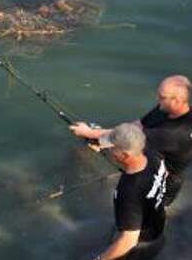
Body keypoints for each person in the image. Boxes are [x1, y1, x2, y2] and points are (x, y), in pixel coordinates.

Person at [82, 123, 167, 260]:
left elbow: (128, 240)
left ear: (125, 155)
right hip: (157, 230)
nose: (109, 150)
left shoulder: (129, 192)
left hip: (139, 245)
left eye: (112, 148)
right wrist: (99, 140)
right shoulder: (153, 157)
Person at [70, 75, 192, 206]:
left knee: (145, 208)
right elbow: (138, 125)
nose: (158, 99)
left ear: (178, 101)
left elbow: (128, 135)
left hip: (165, 178)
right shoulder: (165, 108)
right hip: (157, 152)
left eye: (162, 97)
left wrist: (89, 132)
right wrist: (103, 142)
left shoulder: (172, 134)